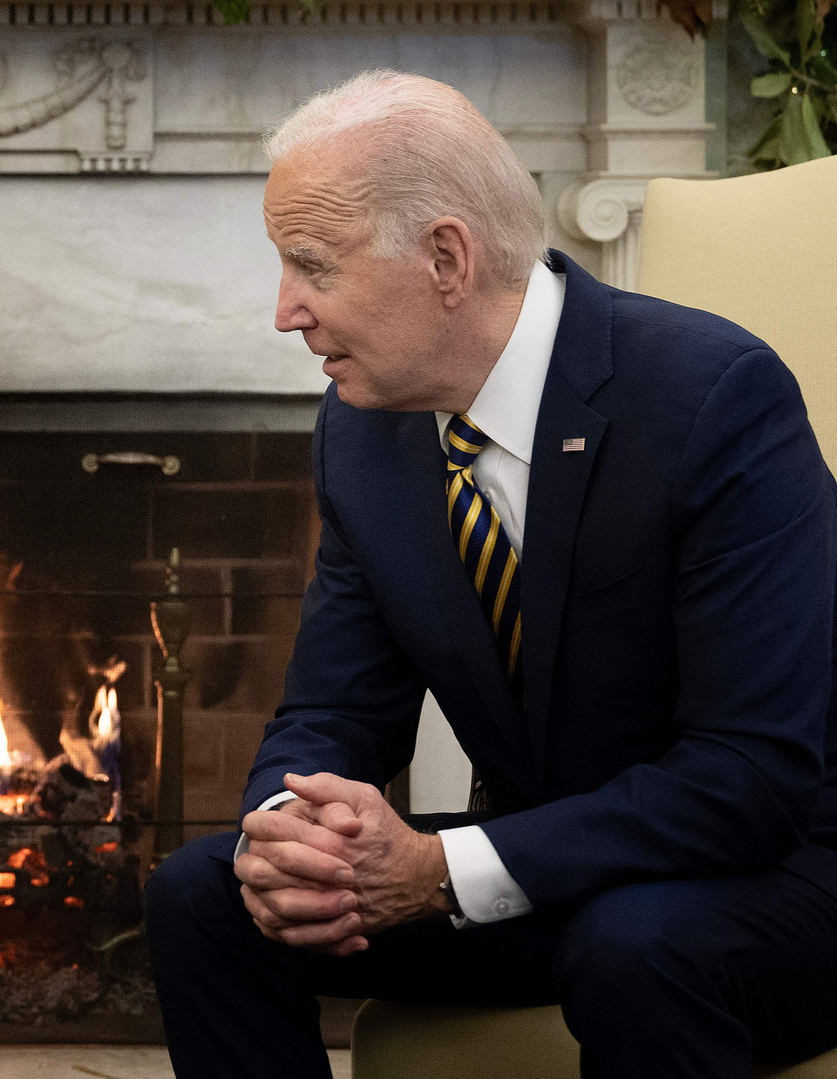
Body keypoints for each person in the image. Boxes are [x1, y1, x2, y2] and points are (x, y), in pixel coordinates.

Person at [144, 71, 837, 1078]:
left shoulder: (713, 397)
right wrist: (294, 836)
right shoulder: (364, 433)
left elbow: (749, 779)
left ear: (446, 258)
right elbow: (333, 709)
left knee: (634, 944)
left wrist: (437, 871)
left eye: (311, 265)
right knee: (202, 892)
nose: (285, 310)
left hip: (776, 869)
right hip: (545, 876)